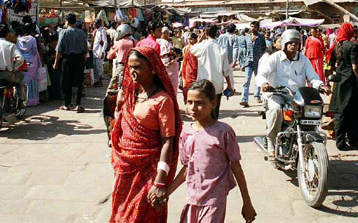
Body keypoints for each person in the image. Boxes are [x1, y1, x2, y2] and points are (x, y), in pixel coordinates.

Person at [161, 79, 257, 223]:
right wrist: (167, 192)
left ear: (213, 103)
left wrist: (247, 202)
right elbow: (187, 168)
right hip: (192, 198)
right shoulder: (186, 133)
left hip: (215, 200)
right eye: (189, 102)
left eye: (200, 103)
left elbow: (236, 167)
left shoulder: (223, 132)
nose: (193, 107)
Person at [110, 47, 182, 223]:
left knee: (142, 215)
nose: (133, 72)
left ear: (152, 69)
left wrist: (160, 180)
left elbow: (168, 142)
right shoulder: (131, 94)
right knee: (122, 214)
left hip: (149, 172)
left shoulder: (162, 101)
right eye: (131, 67)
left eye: (138, 67)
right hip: (125, 169)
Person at [256, 29, 323, 159]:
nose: (294, 45)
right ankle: (271, 142)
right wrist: (264, 84)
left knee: (311, 113)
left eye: (296, 43)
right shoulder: (275, 58)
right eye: (291, 43)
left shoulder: (303, 59)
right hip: (277, 94)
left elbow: (313, 76)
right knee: (275, 110)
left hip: (297, 96)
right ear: (285, 44)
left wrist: (320, 85)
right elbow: (261, 75)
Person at [327, 23, 358, 151]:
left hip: (339, 82)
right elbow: (355, 67)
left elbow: (331, 67)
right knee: (353, 112)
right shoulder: (353, 45)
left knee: (340, 112)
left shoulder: (335, 47)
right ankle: (353, 140)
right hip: (350, 82)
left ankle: (340, 142)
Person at [190, 25, 233, 119]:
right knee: (214, 112)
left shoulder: (202, 46)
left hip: (203, 84)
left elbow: (192, 49)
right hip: (217, 84)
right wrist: (229, 85)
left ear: (206, 33)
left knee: (202, 109)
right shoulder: (222, 48)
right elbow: (226, 70)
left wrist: (201, 37)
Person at [0, 24, 26, 108]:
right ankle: (21, 101)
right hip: (7, 76)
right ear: (7, 34)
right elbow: (20, 59)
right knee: (21, 76)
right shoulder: (11, 46)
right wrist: (14, 68)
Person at [54, 13, 88, 112]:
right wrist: (83, 60)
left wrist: (56, 62)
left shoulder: (64, 33)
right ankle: (78, 104)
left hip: (67, 59)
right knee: (78, 82)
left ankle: (67, 104)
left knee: (66, 82)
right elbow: (85, 49)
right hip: (79, 59)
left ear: (67, 22)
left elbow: (59, 50)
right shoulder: (82, 33)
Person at [237, 21, 266, 107]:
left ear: (257, 28)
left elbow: (264, 48)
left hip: (258, 62)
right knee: (247, 81)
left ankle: (257, 96)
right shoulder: (247, 37)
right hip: (248, 62)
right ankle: (244, 99)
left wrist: (262, 57)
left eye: (254, 26)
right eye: (251, 26)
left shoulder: (261, 37)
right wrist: (242, 63)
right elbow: (243, 51)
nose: (252, 28)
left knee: (258, 80)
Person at [17, 23, 43, 107]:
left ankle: (23, 100)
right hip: (32, 62)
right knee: (32, 81)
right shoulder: (32, 39)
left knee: (23, 81)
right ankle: (33, 100)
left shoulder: (18, 39)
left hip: (22, 62)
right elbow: (35, 51)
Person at [158, 27, 180, 94]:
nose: (167, 34)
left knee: (173, 86)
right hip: (164, 66)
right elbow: (160, 54)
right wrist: (167, 53)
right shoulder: (159, 42)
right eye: (165, 33)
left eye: (167, 33)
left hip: (172, 67)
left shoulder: (170, 41)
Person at [217, 23, 238, 89]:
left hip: (220, 57)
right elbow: (235, 49)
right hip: (229, 59)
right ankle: (231, 88)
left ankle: (220, 88)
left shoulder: (221, 36)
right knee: (230, 74)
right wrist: (234, 61)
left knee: (220, 74)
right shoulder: (234, 37)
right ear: (234, 30)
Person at [180, 32, 199, 103]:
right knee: (186, 86)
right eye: (189, 39)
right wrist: (181, 70)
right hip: (187, 70)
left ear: (195, 39)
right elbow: (184, 59)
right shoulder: (186, 48)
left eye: (191, 39)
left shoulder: (198, 48)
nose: (190, 41)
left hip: (196, 70)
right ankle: (187, 100)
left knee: (195, 86)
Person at [92, 19, 109, 88]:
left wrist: (102, 51)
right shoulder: (96, 31)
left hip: (99, 51)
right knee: (96, 67)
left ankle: (100, 82)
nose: (94, 24)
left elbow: (105, 42)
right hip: (95, 51)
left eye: (95, 23)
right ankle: (97, 81)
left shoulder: (102, 30)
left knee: (99, 67)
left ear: (98, 23)